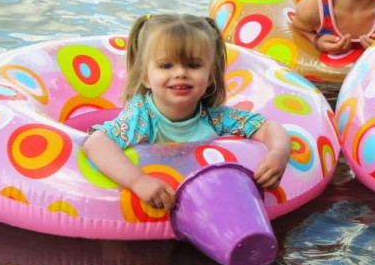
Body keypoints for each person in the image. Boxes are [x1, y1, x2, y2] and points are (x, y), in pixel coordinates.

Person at [84, 14, 291, 211]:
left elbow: (269, 128)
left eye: (193, 65)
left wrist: (278, 154)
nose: (180, 73)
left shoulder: (215, 116)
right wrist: (138, 181)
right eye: (166, 65)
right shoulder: (141, 118)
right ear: (145, 77)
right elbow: (97, 142)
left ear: (210, 76)